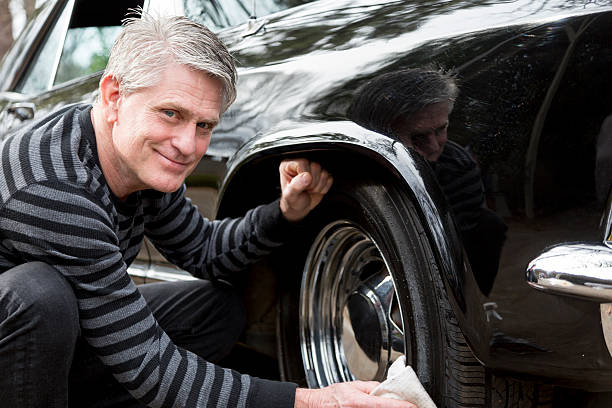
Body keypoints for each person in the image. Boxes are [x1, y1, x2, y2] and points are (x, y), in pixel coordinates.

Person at [0, 11, 417, 408]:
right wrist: (311, 399)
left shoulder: (135, 160)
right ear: (113, 96)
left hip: (55, 345)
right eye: (171, 113)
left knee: (215, 308)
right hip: (23, 339)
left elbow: (205, 250)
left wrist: (284, 212)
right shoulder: (53, 186)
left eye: (204, 125)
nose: (187, 145)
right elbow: (149, 363)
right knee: (40, 295)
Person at [349, 67, 507, 295]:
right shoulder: (358, 174)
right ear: (380, 136)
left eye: (441, 129)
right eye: (418, 137)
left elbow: (456, 237)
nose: (435, 147)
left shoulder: (457, 167)